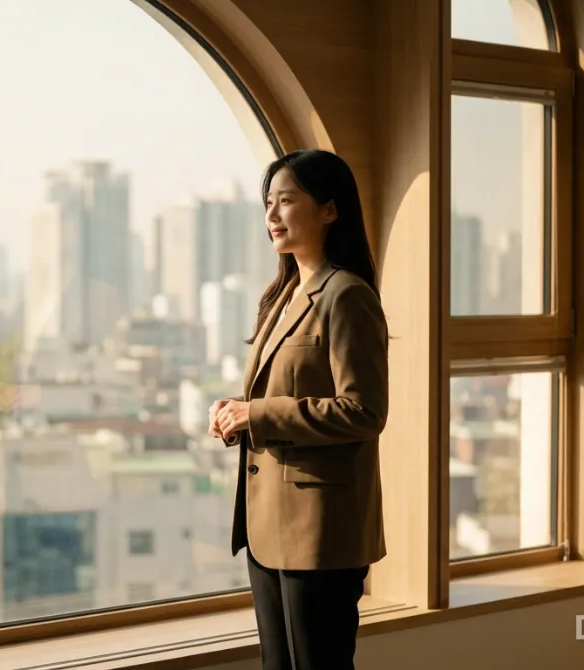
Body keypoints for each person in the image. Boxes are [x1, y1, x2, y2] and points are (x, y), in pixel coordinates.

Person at [209, 149, 388, 670]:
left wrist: (258, 417)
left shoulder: (347, 296)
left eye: (286, 201)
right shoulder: (285, 294)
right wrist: (238, 412)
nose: (272, 216)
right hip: (267, 526)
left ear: (330, 210)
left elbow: (363, 410)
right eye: (268, 203)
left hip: (319, 534)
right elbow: (284, 391)